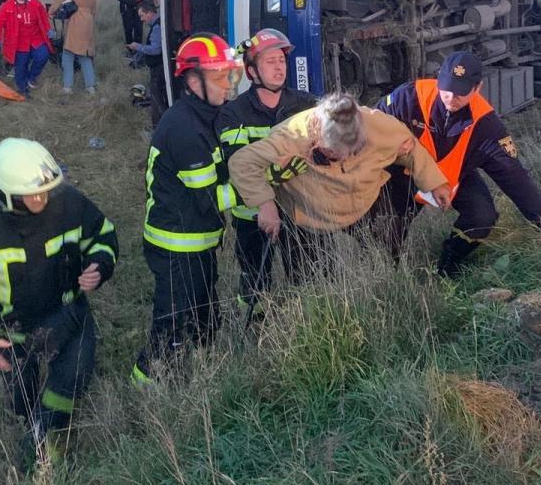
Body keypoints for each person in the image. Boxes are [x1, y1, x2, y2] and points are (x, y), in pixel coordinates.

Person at [0, 138, 117, 459]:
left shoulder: (70, 205)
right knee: (22, 404)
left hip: (70, 316)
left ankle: (46, 442)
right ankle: (31, 425)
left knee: (72, 378)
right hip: (13, 335)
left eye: (46, 190)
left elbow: (102, 234)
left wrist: (100, 264)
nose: (42, 198)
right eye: (32, 194)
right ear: (4, 196)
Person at [228, 92, 451, 279]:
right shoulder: (292, 135)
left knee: (387, 253)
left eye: (352, 151)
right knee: (312, 279)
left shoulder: (375, 122)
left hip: (364, 202)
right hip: (310, 215)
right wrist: (265, 205)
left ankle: (384, 289)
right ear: (317, 135)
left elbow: (410, 148)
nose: (344, 158)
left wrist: (436, 183)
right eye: (334, 153)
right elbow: (242, 162)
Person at [377, 52, 541, 278]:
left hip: (452, 177)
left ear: (477, 87)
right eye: (447, 88)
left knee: (482, 216)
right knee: (387, 232)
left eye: (461, 92)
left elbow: (516, 178)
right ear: (438, 78)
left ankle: (448, 266)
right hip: (405, 177)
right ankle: (389, 274)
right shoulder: (408, 98)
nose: (451, 97)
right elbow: (373, 127)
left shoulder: (486, 125)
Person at [132, 34, 244, 385]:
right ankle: (147, 384)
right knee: (173, 321)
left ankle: (196, 374)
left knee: (205, 316)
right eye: (220, 78)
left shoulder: (208, 114)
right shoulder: (183, 128)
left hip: (201, 240)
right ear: (194, 81)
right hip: (177, 244)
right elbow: (210, 198)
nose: (228, 85)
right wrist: (259, 186)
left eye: (231, 76)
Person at [216, 29, 315, 308]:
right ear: (252, 71)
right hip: (252, 215)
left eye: (281, 60)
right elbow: (237, 165)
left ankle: (308, 324)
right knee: (255, 281)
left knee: (308, 274)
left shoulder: (305, 104)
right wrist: (265, 202)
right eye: (270, 61)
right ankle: (255, 327)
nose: (279, 67)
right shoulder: (234, 113)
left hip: (299, 207)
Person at [0, 0, 53, 98]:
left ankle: (32, 78)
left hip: (35, 38)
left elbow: (43, 17)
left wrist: (48, 29)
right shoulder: (7, 6)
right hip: (18, 42)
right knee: (20, 66)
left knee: (43, 55)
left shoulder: (34, 2)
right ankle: (22, 89)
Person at [48, 0, 99, 95]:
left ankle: (67, 86)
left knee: (68, 53)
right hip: (88, 21)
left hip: (77, 20)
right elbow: (94, 9)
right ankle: (90, 86)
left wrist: (51, 11)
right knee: (85, 55)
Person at [128, 0, 167, 127]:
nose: (141, 19)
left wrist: (138, 47)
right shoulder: (161, 22)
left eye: (142, 15)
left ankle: (157, 127)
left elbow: (156, 50)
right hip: (161, 67)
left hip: (158, 68)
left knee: (157, 99)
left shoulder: (156, 27)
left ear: (150, 13)